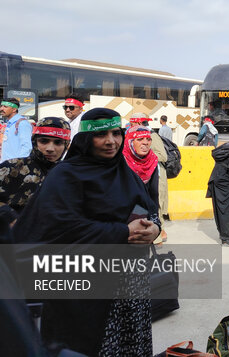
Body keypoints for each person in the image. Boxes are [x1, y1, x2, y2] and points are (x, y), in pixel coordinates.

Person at [13, 108, 160, 356]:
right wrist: (122, 231)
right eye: (101, 134)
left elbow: (149, 210)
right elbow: (59, 228)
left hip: (128, 286)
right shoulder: (65, 176)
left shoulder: (126, 174)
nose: (111, 141)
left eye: (116, 133)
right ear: (85, 139)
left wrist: (153, 229)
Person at [0, 117, 71, 226]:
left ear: (66, 145)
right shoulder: (12, 167)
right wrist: (11, 219)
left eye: (58, 142)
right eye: (44, 141)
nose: (50, 148)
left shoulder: (68, 174)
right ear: (34, 141)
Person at [130, 113, 170, 228]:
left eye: (132, 123)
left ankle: (157, 237)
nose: (145, 142)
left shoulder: (153, 136)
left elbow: (163, 156)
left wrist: (148, 156)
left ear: (138, 123)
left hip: (155, 176)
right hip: (142, 176)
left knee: (155, 208)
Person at [122, 125, 159, 212]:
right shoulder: (121, 160)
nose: (145, 143)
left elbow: (154, 194)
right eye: (139, 139)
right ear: (130, 142)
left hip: (144, 211)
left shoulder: (152, 160)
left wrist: (154, 218)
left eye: (148, 139)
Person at [0, 98, 32, 162]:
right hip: (5, 165)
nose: (1, 109)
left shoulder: (22, 123)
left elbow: (26, 148)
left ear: (14, 109)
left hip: (14, 167)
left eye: (5, 107)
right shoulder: (9, 123)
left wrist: (18, 165)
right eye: (1, 106)